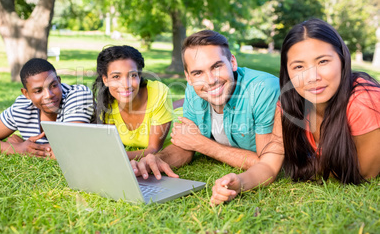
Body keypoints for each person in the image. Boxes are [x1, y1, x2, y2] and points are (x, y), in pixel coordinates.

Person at [210, 18, 380, 205]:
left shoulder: (364, 100)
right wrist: (240, 182)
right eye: (299, 66)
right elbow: (269, 163)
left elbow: (364, 173)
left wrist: (311, 167)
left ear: (342, 59)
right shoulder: (289, 103)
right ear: (287, 72)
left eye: (322, 61)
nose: (312, 77)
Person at [131, 30, 280, 180]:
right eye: (198, 73)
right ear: (188, 77)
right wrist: (158, 159)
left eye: (216, 67)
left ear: (232, 62)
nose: (209, 80)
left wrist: (203, 145)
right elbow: (186, 145)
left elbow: (267, 163)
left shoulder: (263, 89)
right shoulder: (194, 89)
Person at [0, 58, 94, 158]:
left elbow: (73, 149)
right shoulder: (22, 107)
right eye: (38, 91)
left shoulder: (78, 95)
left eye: (53, 86)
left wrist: (30, 147)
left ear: (59, 81)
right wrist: (18, 148)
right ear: (26, 94)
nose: (49, 95)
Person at [92, 45, 174, 160]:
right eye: (116, 77)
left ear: (139, 76)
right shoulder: (107, 101)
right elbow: (111, 145)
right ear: (105, 80)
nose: (126, 85)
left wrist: (114, 156)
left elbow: (154, 149)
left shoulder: (158, 93)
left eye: (133, 75)